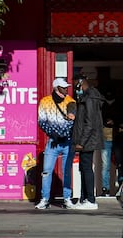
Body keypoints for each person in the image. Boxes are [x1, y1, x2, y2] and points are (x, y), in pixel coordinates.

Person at [35, 78, 76, 209]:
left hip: (67, 142)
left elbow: (72, 121)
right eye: (63, 87)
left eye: (66, 87)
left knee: (66, 172)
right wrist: (53, 134)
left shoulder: (71, 101)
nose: (66, 90)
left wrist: (62, 135)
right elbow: (42, 121)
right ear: (56, 88)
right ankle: (45, 199)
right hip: (52, 142)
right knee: (46, 171)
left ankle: (67, 198)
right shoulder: (45, 101)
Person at [72, 74, 105, 210]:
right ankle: (84, 198)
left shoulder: (90, 98)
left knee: (86, 168)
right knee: (83, 168)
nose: (74, 88)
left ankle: (90, 200)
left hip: (87, 140)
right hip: (87, 139)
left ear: (80, 83)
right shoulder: (87, 96)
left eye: (75, 84)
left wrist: (81, 142)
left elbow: (89, 123)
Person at [100, 89, 123, 196]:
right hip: (107, 138)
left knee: (119, 164)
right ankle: (106, 188)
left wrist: (115, 122)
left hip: (116, 137)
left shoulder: (119, 105)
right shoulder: (101, 105)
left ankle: (119, 187)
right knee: (106, 165)